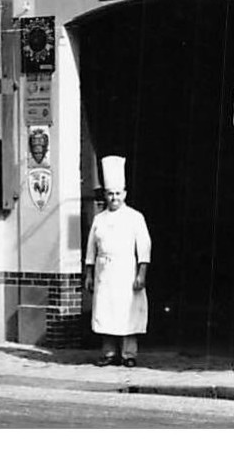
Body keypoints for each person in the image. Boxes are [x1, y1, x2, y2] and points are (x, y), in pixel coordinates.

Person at [84, 156, 151, 368]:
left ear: (125, 194)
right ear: (105, 195)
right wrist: (88, 274)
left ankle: (129, 354)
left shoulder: (135, 217)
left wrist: (141, 274)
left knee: (127, 312)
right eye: (110, 194)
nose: (114, 198)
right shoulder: (99, 219)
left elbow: (144, 248)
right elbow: (90, 249)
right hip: (104, 272)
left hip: (126, 271)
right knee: (106, 311)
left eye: (117, 194)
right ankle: (109, 352)